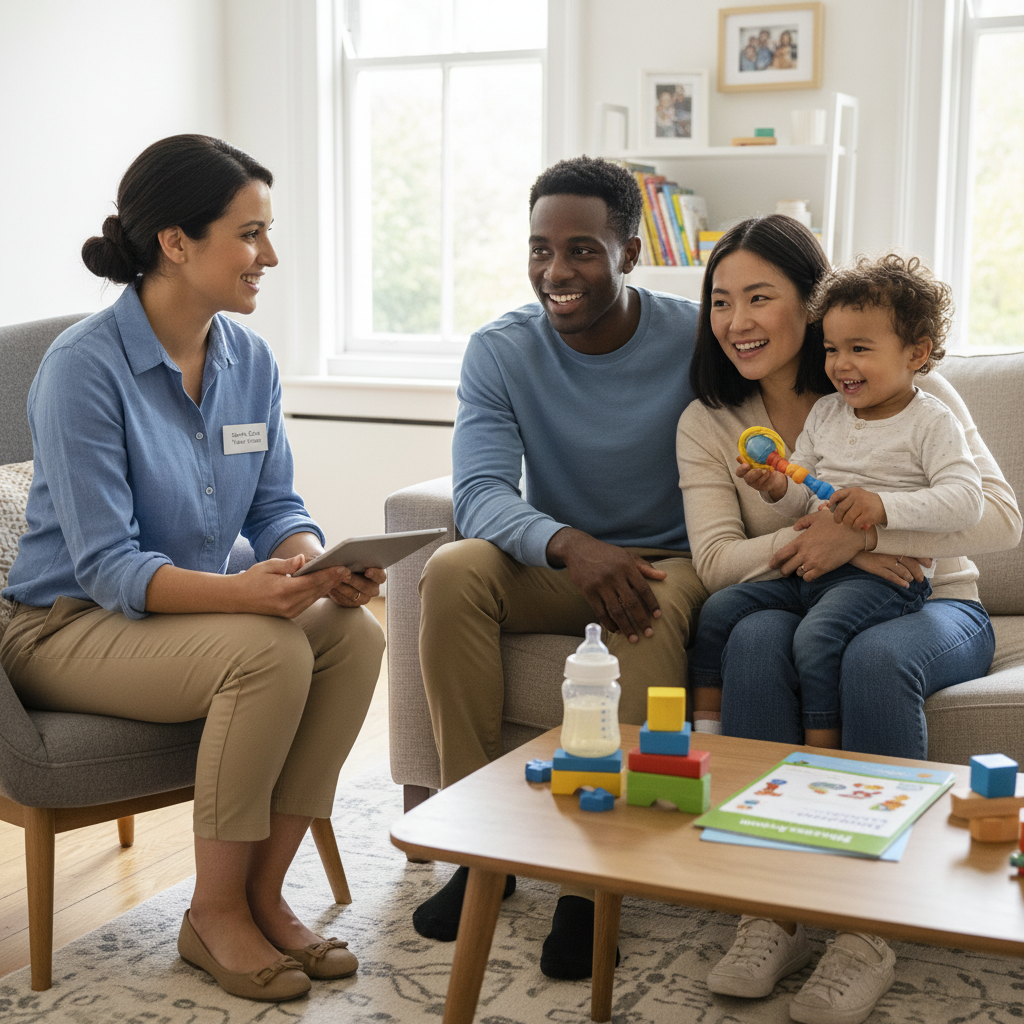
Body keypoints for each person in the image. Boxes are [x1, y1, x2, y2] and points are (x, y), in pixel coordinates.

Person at [0, 135, 386, 1003]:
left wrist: (313, 565)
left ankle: (260, 893)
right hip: (64, 625)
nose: (270, 256)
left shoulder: (249, 362)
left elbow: (274, 509)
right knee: (269, 650)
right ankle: (212, 914)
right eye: (250, 234)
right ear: (176, 242)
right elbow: (107, 567)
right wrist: (247, 596)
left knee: (353, 638)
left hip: (187, 614)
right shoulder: (83, 370)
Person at [676, 214, 1020, 1024]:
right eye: (722, 301)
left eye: (762, 296)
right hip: (815, 593)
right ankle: (772, 905)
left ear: (811, 298)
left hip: (934, 602)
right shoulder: (719, 419)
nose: (739, 321)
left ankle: (868, 923)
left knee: (870, 661)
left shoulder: (918, 394)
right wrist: (839, 541)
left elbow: (998, 520)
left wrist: (870, 528)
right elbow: (723, 562)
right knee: (755, 637)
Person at [413, 155, 708, 979]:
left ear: (630, 252)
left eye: (582, 249)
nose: (557, 271)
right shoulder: (502, 351)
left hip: (668, 560)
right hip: (561, 555)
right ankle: (482, 853)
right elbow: (476, 492)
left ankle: (591, 882)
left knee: (640, 606)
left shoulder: (695, 338)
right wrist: (567, 543)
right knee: (454, 568)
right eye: (541, 248)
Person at [689, 252, 985, 752]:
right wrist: (780, 489)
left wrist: (879, 516)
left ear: (916, 355)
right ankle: (709, 739)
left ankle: (821, 752)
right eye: (831, 349)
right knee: (720, 613)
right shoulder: (829, 412)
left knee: (819, 640)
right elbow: (808, 499)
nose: (840, 364)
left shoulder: (930, 419)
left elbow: (969, 501)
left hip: (893, 583)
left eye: (859, 349)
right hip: (818, 575)